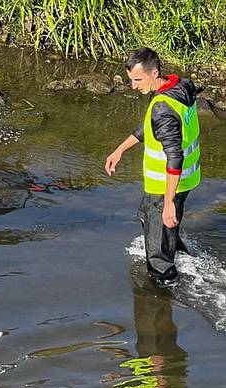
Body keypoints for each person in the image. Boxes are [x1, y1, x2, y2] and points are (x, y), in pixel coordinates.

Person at [105, 47, 201, 285]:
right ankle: (176, 248)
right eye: (130, 80)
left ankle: (162, 289)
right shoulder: (179, 87)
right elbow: (151, 125)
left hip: (166, 183)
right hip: (186, 179)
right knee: (153, 216)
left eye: (138, 79)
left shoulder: (162, 107)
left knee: (157, 244)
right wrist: (121, 149)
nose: (133, 86)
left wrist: (168, 201)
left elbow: (174, 156)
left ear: (154, 72)